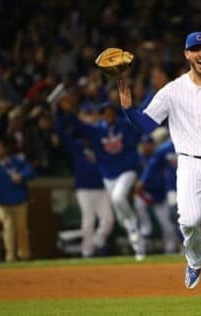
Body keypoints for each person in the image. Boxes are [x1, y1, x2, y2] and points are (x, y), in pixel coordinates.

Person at [117, 31, 201, 316]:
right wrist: (129, 110)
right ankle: (194, 256)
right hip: (189, 163)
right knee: (189, 221)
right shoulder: (172, 90)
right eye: (195, 50)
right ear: (186, 55)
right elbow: (145, 125)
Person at [57, 100, 145, 261]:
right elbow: (76, 125)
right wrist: (65, 112)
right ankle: (137, 242)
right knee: (118, 216)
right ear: (102, 115)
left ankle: (133, 226)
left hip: (127, 171)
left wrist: (151, 94)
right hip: (108, 176)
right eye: (104, 112)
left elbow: (140, 117)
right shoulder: (96, 131)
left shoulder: (125, 126)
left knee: (118, 198)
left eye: (110, 111)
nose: (108, 114)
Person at [56, 103, 115, 258]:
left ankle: (96, 241)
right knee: (88, 221)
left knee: (108, 220)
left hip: (101, 187)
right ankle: (87, 252)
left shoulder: (100, 141)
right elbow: (61, 132)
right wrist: (61, 113)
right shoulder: (76, 144)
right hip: (84, 188)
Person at [0, 138, 35, 262]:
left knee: (22, 228)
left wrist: (21, 176)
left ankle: (24, 254)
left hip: (19, 200)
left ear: (4, 148)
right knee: (8, 227)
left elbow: (31, 171)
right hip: (1, 202)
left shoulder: (17, 161)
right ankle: (10, 257)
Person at [135, 136, 180, 254]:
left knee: (169, 223)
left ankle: (171, 249)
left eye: (150, 143)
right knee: (139, 207)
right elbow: (147, 170)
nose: (147, 146)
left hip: (161, 194)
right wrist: (142, 182)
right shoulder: (142, 157)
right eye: (145, 144)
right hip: (147, 193)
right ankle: (145, 231)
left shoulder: (160, 154)